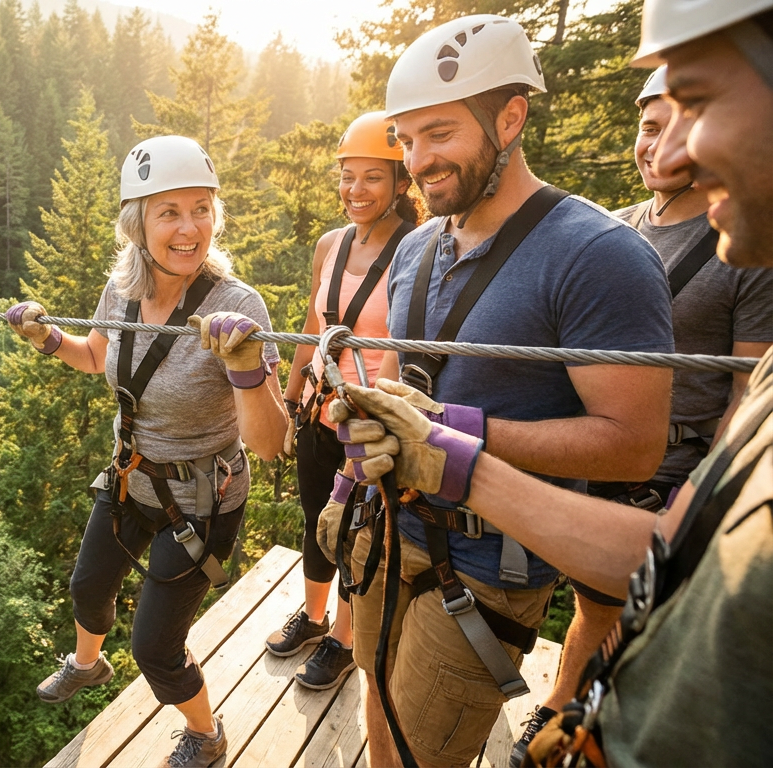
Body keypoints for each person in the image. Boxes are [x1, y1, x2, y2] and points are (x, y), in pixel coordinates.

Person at [330, 1, 773, 764]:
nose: (417, 160)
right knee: (377, 697)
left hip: (483, 565)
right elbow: (408, 388)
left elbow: (634, 449)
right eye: (406, 139)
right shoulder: (416, 248)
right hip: (388, 527)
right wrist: (357, 469)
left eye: (440, 134)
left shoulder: (596, 254)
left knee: (419, 752)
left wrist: (457, 436)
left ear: (509, 119)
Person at [7, 134, 287, 768]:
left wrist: (246, 367)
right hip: (132, 476)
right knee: (87, 586)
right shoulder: (122, 289)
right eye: (170, 212)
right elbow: (97, 358)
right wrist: (47, 337)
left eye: (201, 209)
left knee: (157, 647)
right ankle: (87, 663)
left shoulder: (238, 308)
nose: (190, 228)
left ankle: (206, 735)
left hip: (202, 499)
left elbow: (272, 446)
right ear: (138, 224)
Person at [528, 62, 773, 761]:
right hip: (593, 447)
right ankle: (563, 705)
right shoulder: (610, 231)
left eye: (679, 126)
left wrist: (700, 498)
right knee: (591, 606)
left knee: (631, 615)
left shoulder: (745, 252)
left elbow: (746, 389)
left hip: (676, 465)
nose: (656, 147)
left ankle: (580, 711)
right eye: (647, 127)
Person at [267, 111, 420, 692]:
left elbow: (407, 343)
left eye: (372, 178)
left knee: (357, 528)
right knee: (315, 519)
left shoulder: (416, 250)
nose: (355, 191)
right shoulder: (330, 245)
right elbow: (314, 322)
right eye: (347, 176)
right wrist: (290, 397)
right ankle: (313, 617)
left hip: (369, 417)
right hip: (316, 408)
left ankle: (344, 639)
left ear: (402, 183)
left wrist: (377, 421)